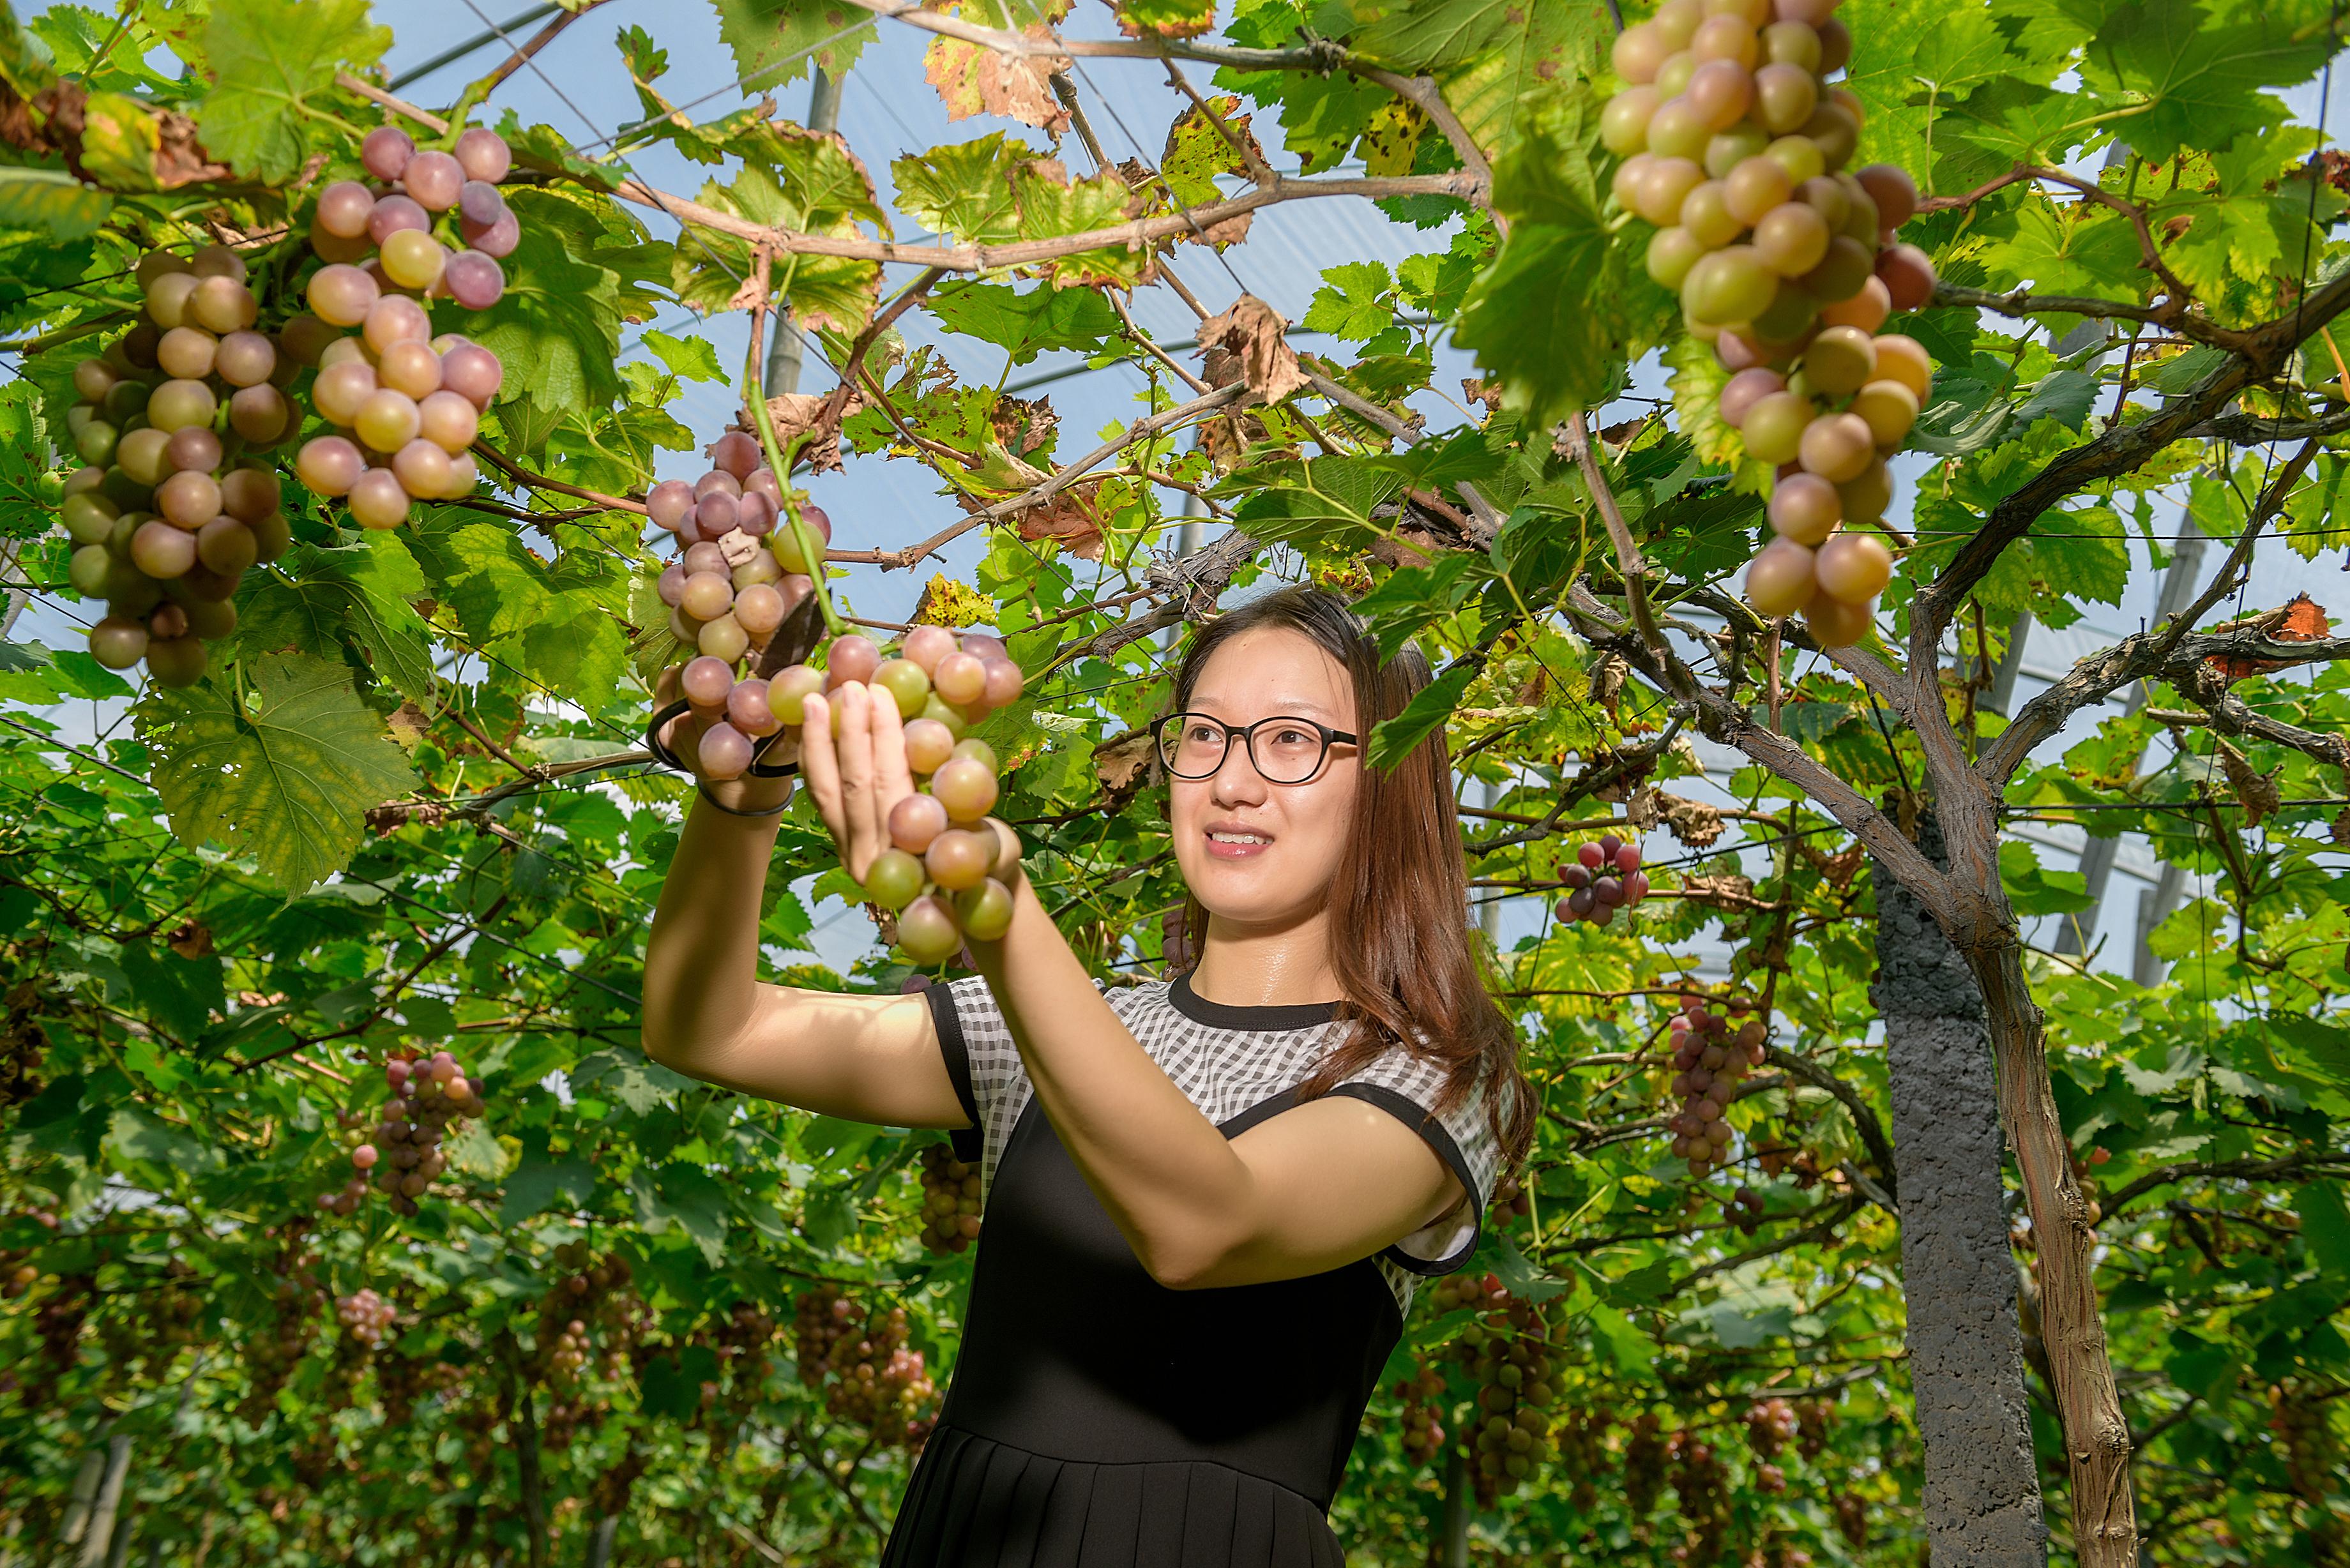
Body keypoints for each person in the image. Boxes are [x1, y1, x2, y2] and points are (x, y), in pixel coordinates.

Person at [644, 584, 1531, 1565]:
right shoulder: (1077, 1019)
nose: (1232, 782)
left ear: (1395, 775)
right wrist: (743, 789)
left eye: (1292, 741)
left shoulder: (1446, 1077)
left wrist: (995, 902)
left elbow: (1204, 1226)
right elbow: (710, 1027)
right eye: (1206, 736)